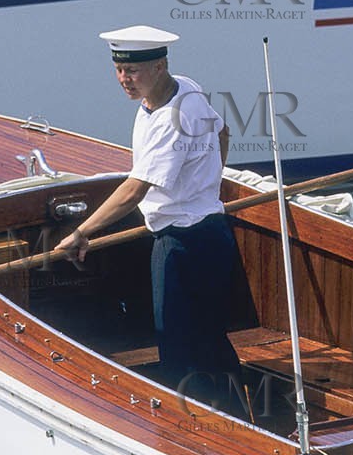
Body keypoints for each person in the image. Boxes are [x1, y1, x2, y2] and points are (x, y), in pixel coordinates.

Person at [52, 26, 247, 416]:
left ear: (159, 66)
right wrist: (207, 185)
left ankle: (191, 428)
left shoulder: (171, 119)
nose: (124, 79)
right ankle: (239, 418)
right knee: (209, 337)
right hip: (211, 231)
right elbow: (223, 133)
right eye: (119, 70)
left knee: (177, 347)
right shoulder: (187, 89)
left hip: (181, 244)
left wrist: (81, 232)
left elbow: (133, 191)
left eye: (133, 71)